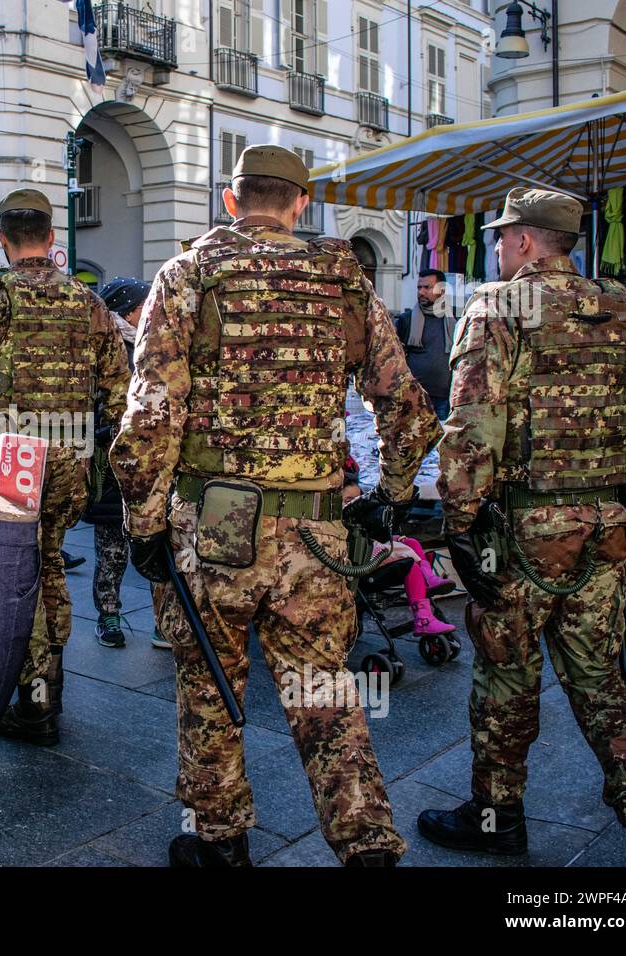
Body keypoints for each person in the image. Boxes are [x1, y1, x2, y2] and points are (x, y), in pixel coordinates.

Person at [112, 144, 440, 867]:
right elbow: (406, 404)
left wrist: (143, 520)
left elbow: (150, 415)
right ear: (300, 205)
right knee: (325, 692)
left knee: (207, 682)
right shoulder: (343, 276)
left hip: (217, 517)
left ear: (231, 201)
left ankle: (221, 841)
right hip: (315, 526)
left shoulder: (189, 272)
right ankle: (369, 847)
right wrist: (389, 495)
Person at [419, 187, 626, 868]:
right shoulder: (622, 307)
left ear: (528, 241)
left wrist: (458, 521)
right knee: (602, 681)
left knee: (506, 680)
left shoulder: (498, 306)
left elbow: (474, 426)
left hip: (522, 533)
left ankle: (496, 817)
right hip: (604, 530)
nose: (499, 247)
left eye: (504, 237)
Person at [0, 187, 130, 746]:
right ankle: (46, 688)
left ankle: (36, 705)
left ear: (3, 239)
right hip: (75, 455)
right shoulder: (88, 302)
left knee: (22, 573)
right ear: (52, 237)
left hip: (17, 457)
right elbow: (119, 386)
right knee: (50, 561)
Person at [83, 276, 153, 649]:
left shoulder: (152, 344)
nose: (149, 310)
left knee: (161, 544)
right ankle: (108, 615)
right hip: (111, 459)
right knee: (111, 545)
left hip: (148, 461)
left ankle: (165, 621)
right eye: (144, 305)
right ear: (128, 308)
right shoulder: (101, 344)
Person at [342, 456, 456, 637]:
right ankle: (423, 617)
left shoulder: (360, 515)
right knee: (408, 564)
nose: (353, 504)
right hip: (361, 559)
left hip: (370, 549)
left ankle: (429, 578)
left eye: (357, 499)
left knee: (411, 542)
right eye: (348, 500)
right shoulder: (340, 521)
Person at [396, 269, 457, 420]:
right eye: (419, 287)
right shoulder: (407, 320)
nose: (421, 292)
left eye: (427, 287)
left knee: (442, 441)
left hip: (446, 398)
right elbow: (396, 357)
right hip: (415, 397)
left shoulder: (456, 318)